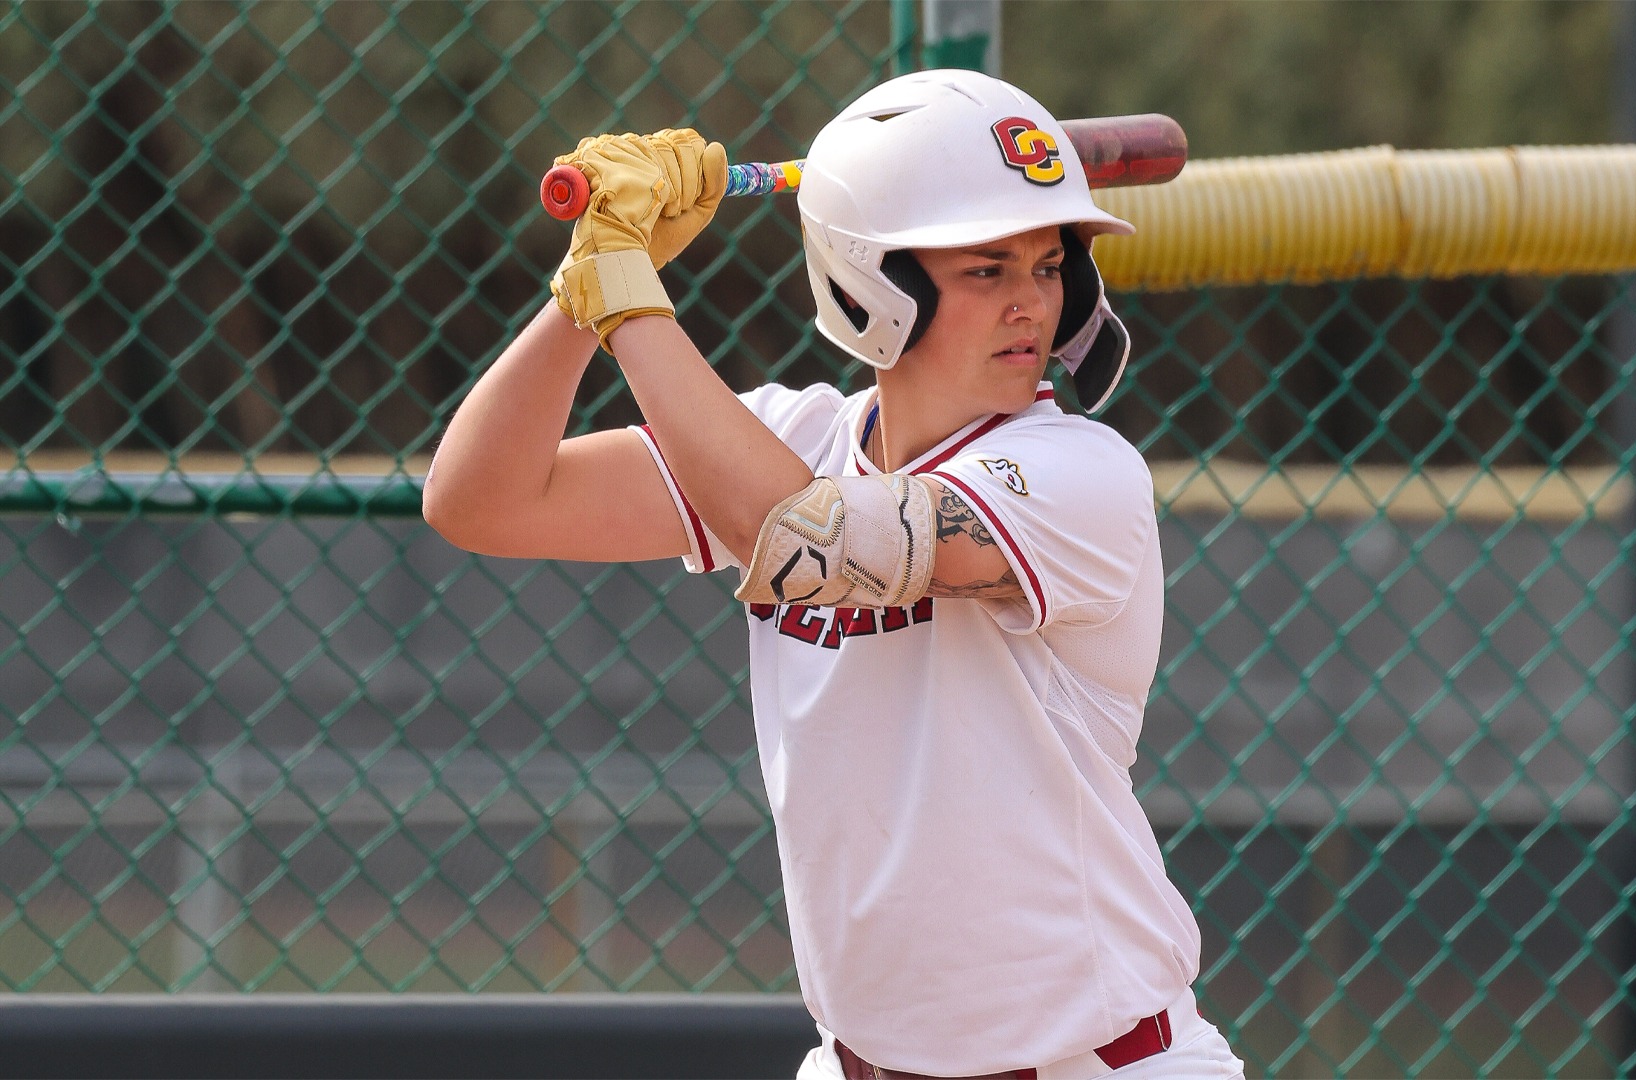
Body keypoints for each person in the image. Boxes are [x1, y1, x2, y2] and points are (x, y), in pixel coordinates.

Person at [424, 69, 1244, 1080]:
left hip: (1101, 1066)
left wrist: (633, 303)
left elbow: (808, 539)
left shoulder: (1079, 475)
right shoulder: (796, 437)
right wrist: (583, 285)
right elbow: (482, 500)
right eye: (985, 269)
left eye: (1045, 263)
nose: (1031, 302)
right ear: (871, 286)